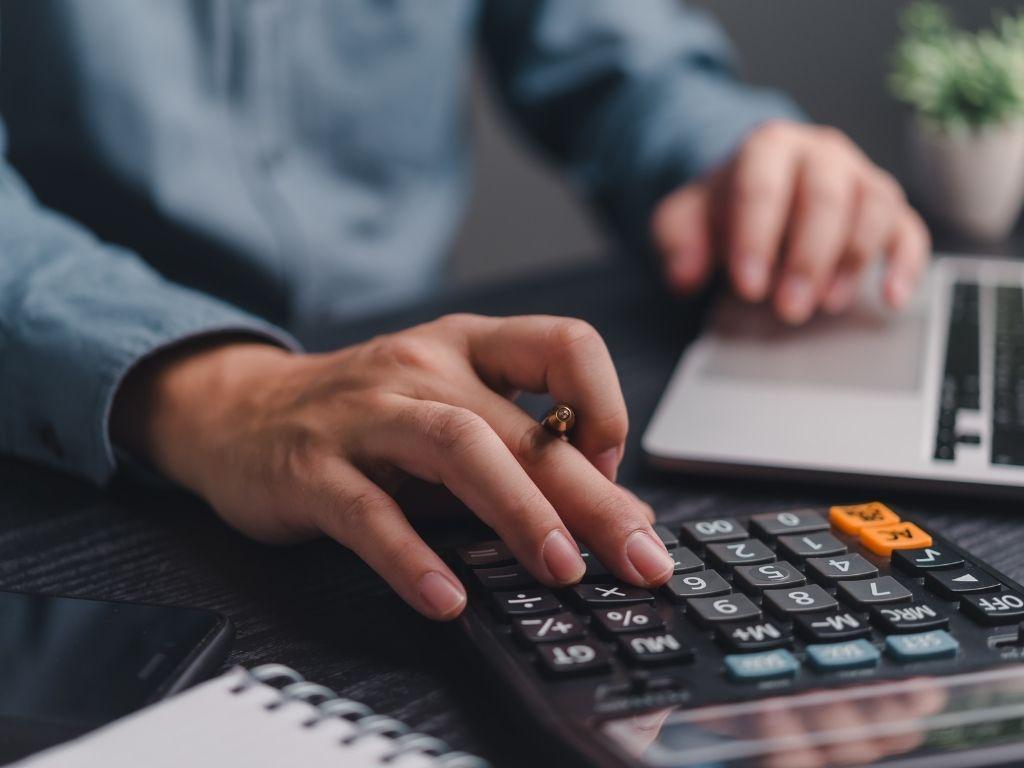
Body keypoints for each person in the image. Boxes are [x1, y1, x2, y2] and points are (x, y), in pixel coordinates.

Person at [0, 2, 928, 620]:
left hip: (424, 436)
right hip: (67, 465)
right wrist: (220, 390)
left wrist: (734, 155)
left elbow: (612, 48)